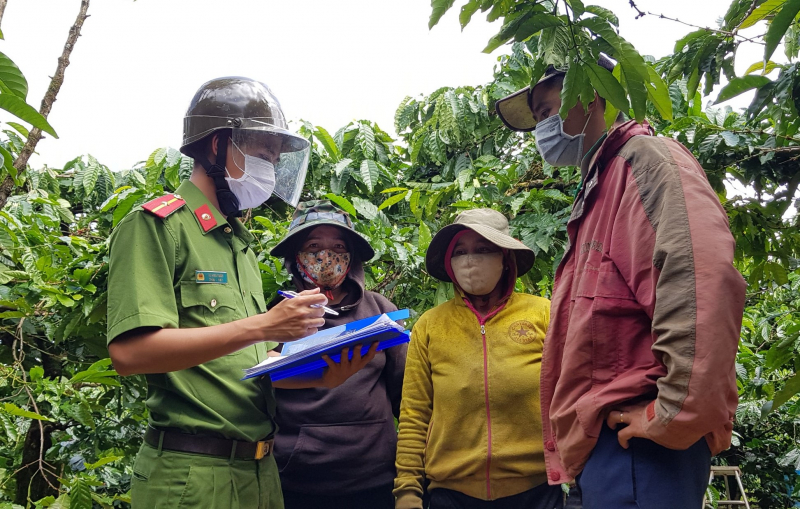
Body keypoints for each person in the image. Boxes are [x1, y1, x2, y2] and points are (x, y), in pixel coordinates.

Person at [106, 77, 375, 509]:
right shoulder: (158, 226)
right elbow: (130, 354)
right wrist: (265, 325)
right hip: (191, 474)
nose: (268, 169)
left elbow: (248, 370)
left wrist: (321, 374)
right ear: (217, 146)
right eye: (262, 154)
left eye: (274, 159)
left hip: (260, 471)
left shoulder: (238, 243)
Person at [495, 56, 747, 508]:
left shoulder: (647, 162)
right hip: (617, 444)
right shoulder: (602, 183)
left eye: (547, 112)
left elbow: (701, 285)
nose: (542, 131)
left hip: (640, 445)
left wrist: (671, 414)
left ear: (589, 95)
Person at [394, 208, 564, 509]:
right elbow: (414, 414)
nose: (470, 260)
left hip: (536, 491)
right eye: (460, 252)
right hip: (452, 494)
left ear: (504, 258)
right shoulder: (431, 325)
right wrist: (408, 491)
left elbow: (571, 399)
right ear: (449, 262)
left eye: (483, 249)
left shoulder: (544, 313)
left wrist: (577, 478)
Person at [267, 200, 407, 509]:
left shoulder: (381, 310)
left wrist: (412, 477)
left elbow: (405, 397)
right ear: (295, 256)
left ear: (352, 256)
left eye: (338, 246)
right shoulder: (274, 316)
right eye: (313, 245)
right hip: (298, 480)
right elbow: (259, 392)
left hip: (376, 480)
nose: (325, 256)